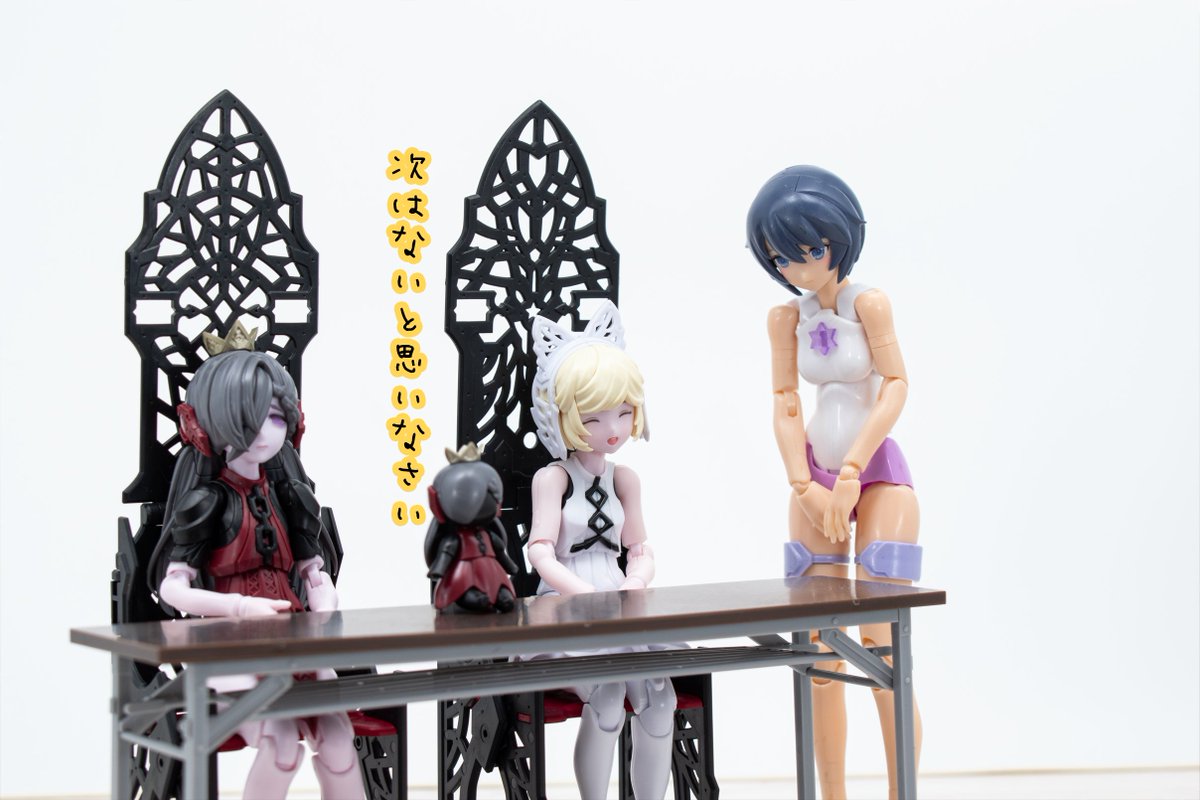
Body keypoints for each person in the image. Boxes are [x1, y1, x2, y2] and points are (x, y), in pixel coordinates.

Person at [746, 165, 924, 800]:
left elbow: (896, 384)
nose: (795, 267)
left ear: (837, 240)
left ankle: (901, 792)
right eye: (779, 257)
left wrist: (851, 472)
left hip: (875, 475)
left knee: (882, 645)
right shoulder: (784, 318)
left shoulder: (869, 304)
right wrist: (805, 484)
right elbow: (785, 400)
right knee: (818, 653)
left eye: (807, 251)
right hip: (814, 476)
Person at [148, 322, 362, 800]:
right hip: (229, 646)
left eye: (277, 417)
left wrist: (325, 602)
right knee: (281, 743)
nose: (268, 432)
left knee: (338, 742)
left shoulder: (290, 496)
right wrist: (241, 608)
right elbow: (173, 588)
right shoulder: (206, 501)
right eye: (252, 417)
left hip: (296, 639)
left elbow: (313, 570)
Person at [526, 301, 675, 800]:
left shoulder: (625, 479)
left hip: (619, 600)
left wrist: (636, 581)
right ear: (564, 416)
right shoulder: (553, 478)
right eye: (593, 417)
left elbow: (640, 547)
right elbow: (540, 553)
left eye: (624, 412)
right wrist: (583, 594)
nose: (613, 427)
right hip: (564, 602)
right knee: (607, 693)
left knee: (660, 698)